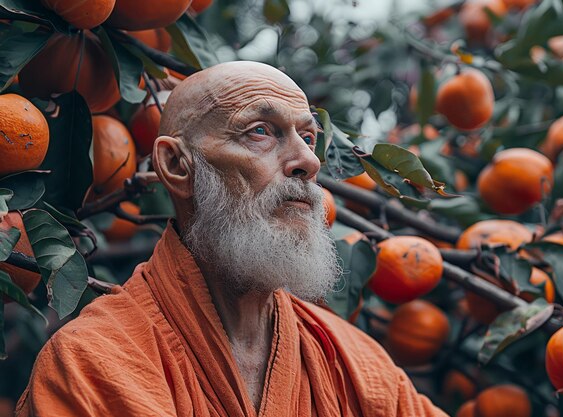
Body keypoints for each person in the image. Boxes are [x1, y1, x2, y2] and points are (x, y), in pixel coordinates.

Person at [16, 61, 447, 417]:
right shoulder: (93, 364)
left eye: (309, 136)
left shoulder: (356, 367)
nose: (308, 161)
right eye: (261, 131)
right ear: (177, 165)